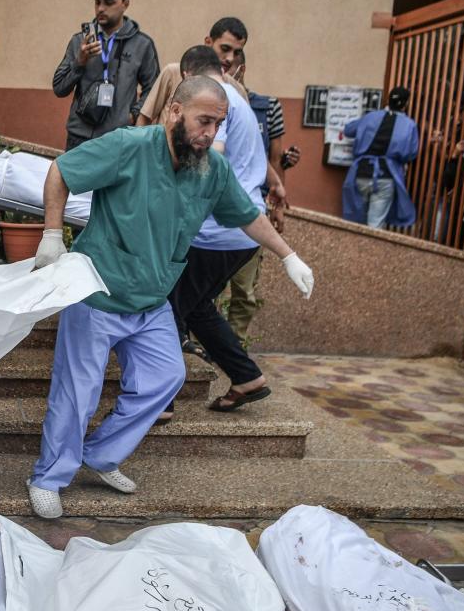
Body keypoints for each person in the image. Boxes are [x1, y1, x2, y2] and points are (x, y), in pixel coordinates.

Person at [25, 75, 314, 519]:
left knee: (165, 377)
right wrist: (50, 236)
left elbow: (247, 216)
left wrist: (289, 255)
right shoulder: (130, 146)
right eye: (204, 121)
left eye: (218, 125)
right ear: (175, 111)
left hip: (152, 298)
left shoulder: (211, 169)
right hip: (99, 289)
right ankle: (48, 477)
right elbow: (61, 171)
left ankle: (100, 455)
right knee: (78, 392)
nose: (210, 133)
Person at [168, 46, 286, 416]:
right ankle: (246, 377)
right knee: (198, 306)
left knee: (166, 308)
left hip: (216, 231)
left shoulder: (215, 107)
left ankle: (159, 400)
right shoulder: (239, 102)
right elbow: (257, 157)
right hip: (242, 233)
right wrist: (277, 184)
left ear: (188, 77)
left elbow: (210, 156)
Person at [227, 48, 301, 347]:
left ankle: (234, 350)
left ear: (242, 68)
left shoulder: (266, 106)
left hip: (251, 209)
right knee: (207, 293)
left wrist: (277, 206)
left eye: (232, 62)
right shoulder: (206, 98)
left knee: (244, 291)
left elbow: (272, 156)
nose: (226, 68)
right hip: (213, 210)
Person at [52, 0, 159, 149]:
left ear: (125, 4)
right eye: (97, 1)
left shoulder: (142, 45)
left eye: (109, 2)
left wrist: (132, 115)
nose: (101, 8)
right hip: (79, 138)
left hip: (118, 140)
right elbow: (59, 88)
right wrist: (79, 62)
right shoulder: (81, 41)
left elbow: (153, 87)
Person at [137, 16, 249, 125]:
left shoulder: (238, 91)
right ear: (208, 42)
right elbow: (145, 118)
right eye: (225, 49)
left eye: (237, 53)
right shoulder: (173, 72)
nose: (230, 58)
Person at [342, 86, 420, 229]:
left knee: (356, 222)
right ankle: (368, 251)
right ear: (406, 103)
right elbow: (411, 152)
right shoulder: (410, 125)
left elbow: (348, 130)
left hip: (361, 173)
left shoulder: (371, 117)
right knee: (375, 225)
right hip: (386, 176)